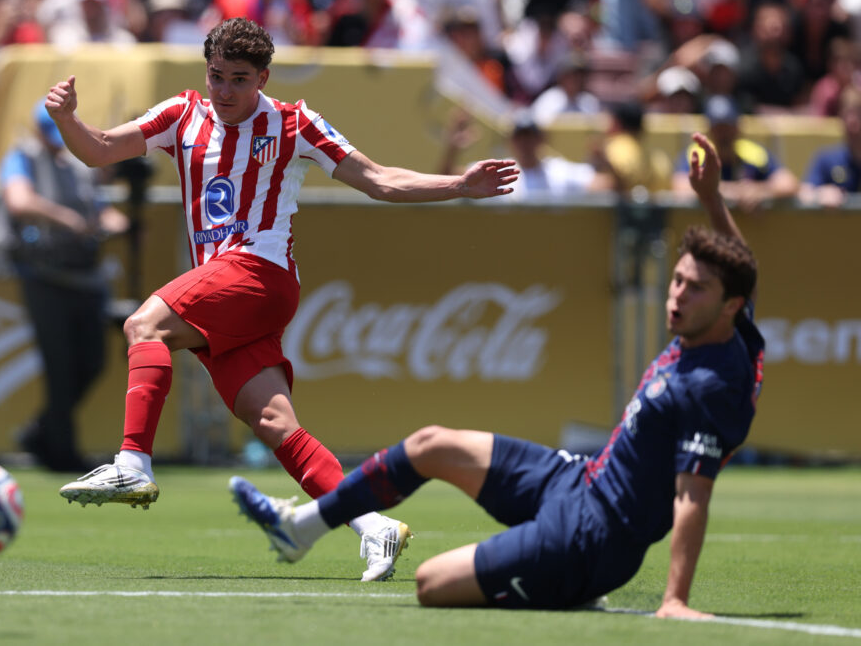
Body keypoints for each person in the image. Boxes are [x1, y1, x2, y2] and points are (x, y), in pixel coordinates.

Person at [45, 17, 518, 582]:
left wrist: (459, 186)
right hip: (229, 287)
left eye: (239, 79)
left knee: (144, 324)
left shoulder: (294, 123)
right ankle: (373, 526)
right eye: (216, 76)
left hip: (259, 272)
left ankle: (132, 463)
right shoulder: (181, 114)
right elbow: (98, 151)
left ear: (263, 77)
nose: (224, 91)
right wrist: (67, 119)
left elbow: (379, 179)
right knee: (272, 421)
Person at [231, 131, 765, 615]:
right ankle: (301, 528)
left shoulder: (714, 384)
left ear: (728, 306)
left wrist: (674, 600)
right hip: (578, 481)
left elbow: (692, 495)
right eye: (676, 281)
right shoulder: (732, 328)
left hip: (594, 538)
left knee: (431, 583)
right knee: (430, 444)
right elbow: (741, 267)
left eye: (695, 289)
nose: (676, 296)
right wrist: (711, 198)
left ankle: (568, 583)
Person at [0, 101, 129, 472]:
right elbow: (19, 201)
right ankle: (63, 456)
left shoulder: (76, 166)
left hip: (84, 276)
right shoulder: (21, 158)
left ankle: (41, 432)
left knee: (92, 362)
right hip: (43, 277)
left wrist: (115, 222)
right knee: (60, 368)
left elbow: (100, 209)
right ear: (37, 131)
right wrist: (66, 218)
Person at [439, 109, 611, 203]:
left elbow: (609, 186)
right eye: (520, 136)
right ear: (511, 141)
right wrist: (452, 150)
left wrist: (606, 161)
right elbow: (449, 183)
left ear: (540, 139)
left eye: (530, 135)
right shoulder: (495, 173)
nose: (525, 142)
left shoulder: (559, 172)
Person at [671, 95, 799, 211]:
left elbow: (789, 184)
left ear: (737, 128)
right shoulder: (696, 154)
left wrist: (759, 191)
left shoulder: (754, 153)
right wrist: (730, 192)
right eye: (718, 128)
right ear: (709, 130)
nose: (723, 134)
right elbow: (680, 187)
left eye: (728, 127)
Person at [800, 85, 861, 208]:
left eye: (858, 113)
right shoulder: (826, 159)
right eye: (847, 113)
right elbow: (803, 194)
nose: (852, 121)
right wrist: (820, 194)